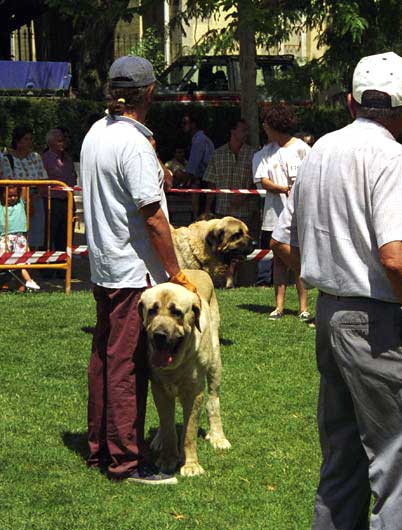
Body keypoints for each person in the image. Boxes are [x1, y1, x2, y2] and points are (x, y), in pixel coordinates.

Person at [270, 51, 402, 530]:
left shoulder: (318, 151)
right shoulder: (392, 156)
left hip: (331, 317)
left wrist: (325, 275)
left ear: (350, 102)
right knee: (399, 469)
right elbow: (395, 256)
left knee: (342, 465)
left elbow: (281, 240)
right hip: (377, 325)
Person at [80, 55, 198, 485]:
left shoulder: (96, 132)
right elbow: (152, 216)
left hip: (104, 266)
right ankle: (128, 461)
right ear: (149, 94)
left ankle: (100, 449)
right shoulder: (133, 143)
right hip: (134, 274)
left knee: (105, 360)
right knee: (129, 364)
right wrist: (175, 272)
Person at [253, 104, 310, 321]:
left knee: (297, 257)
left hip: (299, 214)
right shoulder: (265, 153)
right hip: (274, 213)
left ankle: (303, 307)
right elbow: (262, 180)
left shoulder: (303, 149)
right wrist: (282, 188)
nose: (264, 127)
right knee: (278, 259)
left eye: (266, 124)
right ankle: (279, 307)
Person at [203, 117, 259, 288]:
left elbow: (258, 181)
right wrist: (206, 209)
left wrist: (246, 195)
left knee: (244, 248)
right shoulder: (218, 154)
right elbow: (211, 183)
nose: (245, 134)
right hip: (223, 212)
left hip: (245, 212)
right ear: (232, 131)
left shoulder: (253, 154)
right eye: (242, 130)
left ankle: (244, 282)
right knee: (222, 249)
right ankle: (222, 281)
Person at [8, 126, 48, 249]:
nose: (29, 142)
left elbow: (44, 178)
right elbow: (8, 181)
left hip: (36, 197)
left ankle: (31, 266)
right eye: (26, 139)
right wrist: (24, 199)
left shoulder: (35, 157)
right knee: (17, 233)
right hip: (15, 200)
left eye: (30, 139)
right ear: (17, 140)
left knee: (35, 235)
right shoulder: (7, 157)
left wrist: (35, 196)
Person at [42, 128, 78, 252]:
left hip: (68, 201)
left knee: (66, 236)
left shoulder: (68, 158)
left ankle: (64, 269)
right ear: (51, 142)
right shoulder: (44, 159)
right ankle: (48, 269)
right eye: (59, 140)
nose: (63, 143)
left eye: (64, 140)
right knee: (49, 237)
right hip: (52, 202)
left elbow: (73, 176)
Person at [0, 184, 41, 291]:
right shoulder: (1, 205)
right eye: (9, 196)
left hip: (20, 237)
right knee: (3, 261)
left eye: (14, 195)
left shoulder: (20, 203)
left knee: (22, 261)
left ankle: (24, 283)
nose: (12, 198)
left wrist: (18, 180)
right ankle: (26, 281)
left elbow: (24, 188)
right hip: (4, 237)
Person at [182, 113, 215, 218]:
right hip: (205, 181)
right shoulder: (201, 139)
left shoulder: (199, 140)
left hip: (204, 183)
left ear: (193, 124)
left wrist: (182, 182)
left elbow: (193, 166)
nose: (183, 126)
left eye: (185, 123)